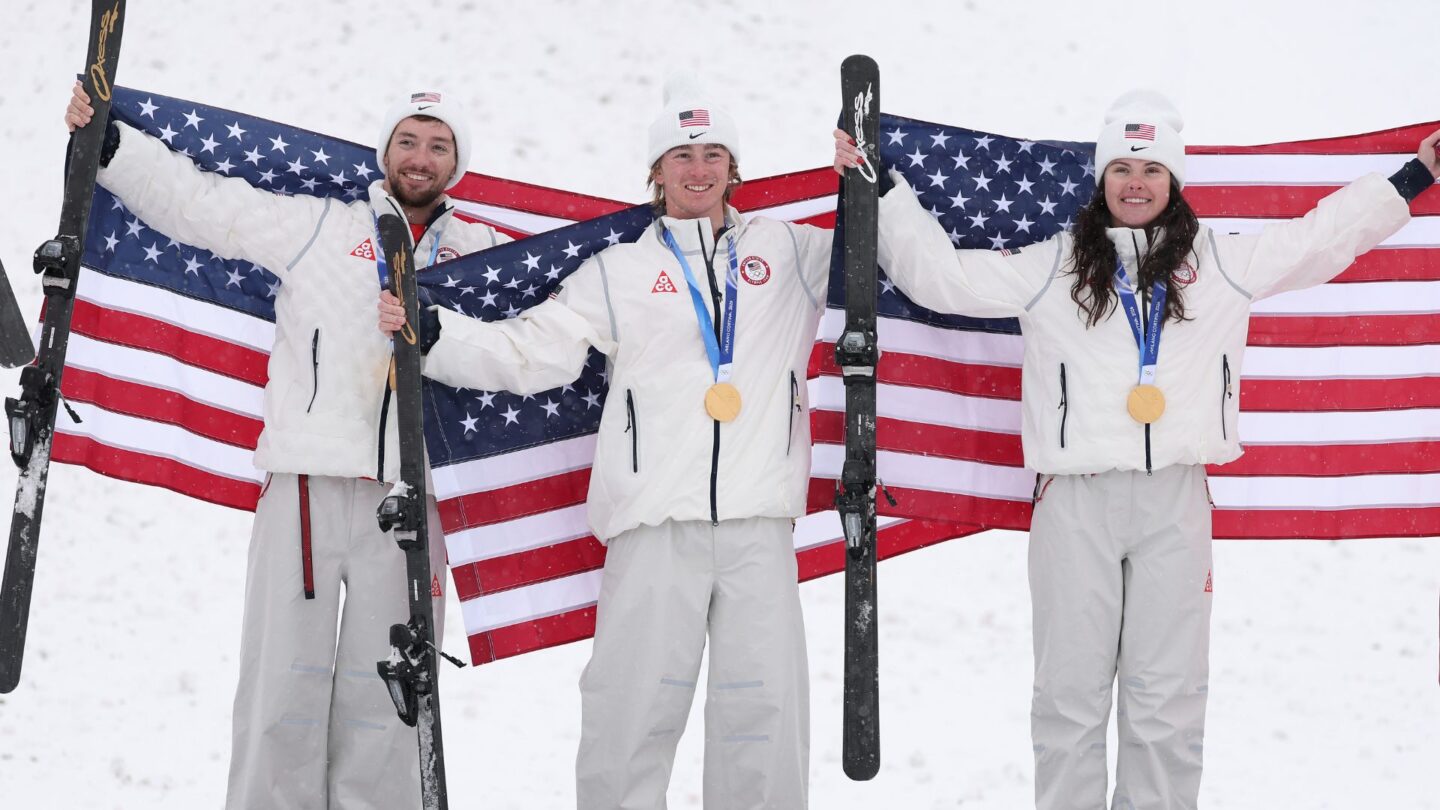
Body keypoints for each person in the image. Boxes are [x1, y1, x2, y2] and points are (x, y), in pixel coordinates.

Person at [835, 90, 1439, 810]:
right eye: (1121, 167)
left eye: (1151, 169)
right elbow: (944, 278)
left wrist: (1414, 176)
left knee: (1168, 701)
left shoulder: (1221, 262)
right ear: (1101, 179)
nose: (1135, 183)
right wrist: (881, 188)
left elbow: (1319, 238)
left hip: (1173, 501)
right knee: (1068, 698)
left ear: (1173, 180)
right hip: (1075, 501)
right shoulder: (1054, 265)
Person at [379, 75, 832, 809]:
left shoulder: (789, 252)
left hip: (759, 526)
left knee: (766, 720)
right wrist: (435, 335)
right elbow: (535, 351)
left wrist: (872, 182)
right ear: (656, 171)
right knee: (630, 717)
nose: (698, 169)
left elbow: (878, 256)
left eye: (713, 154)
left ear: (734, 168)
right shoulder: (621, 271)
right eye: (681, 155)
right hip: (653, 528)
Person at [66, 82, 510, 809]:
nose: (420, 157)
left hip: (412, 501)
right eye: (407, 140)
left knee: (389, 701)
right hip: (306, 491)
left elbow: (522, 349)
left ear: (457, 162)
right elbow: (205, 205)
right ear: (385, 151)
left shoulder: (482, 256)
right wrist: (112, 145)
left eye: (438, 145)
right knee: (281, 691)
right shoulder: (323, 226)